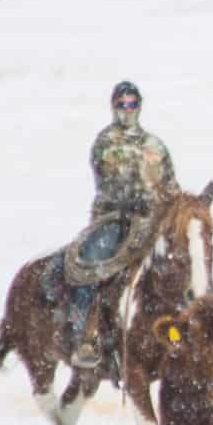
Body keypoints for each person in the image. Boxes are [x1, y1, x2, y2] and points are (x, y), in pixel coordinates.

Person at [68, 80, 177, 369]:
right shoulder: (106, 142)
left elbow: (170, 182)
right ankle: (85, 337)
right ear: (114, 107)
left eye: (132, 104)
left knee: (182, 261)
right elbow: (110, 179)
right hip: (113, 219)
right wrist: (137, 197)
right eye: (122, 104)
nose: (127, 110)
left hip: (149, 220)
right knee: (90, 265)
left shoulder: (156, 145)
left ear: (139, 105)